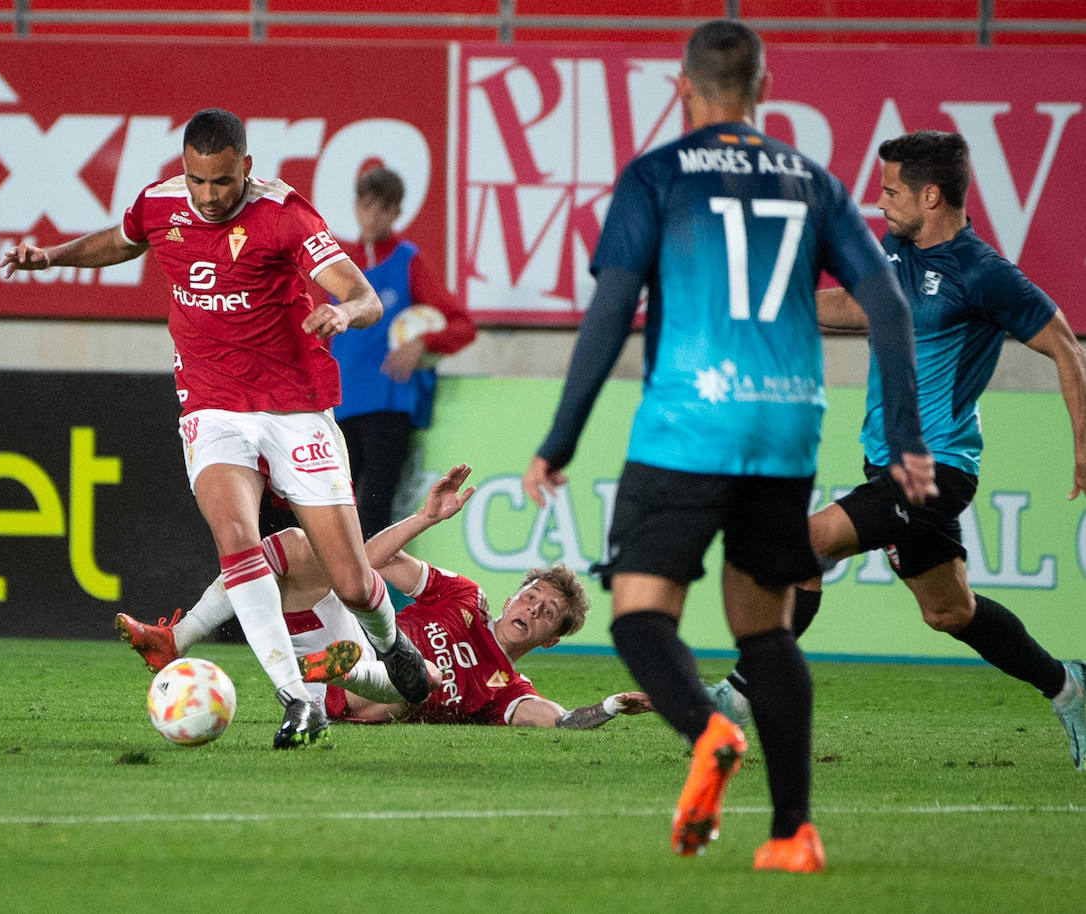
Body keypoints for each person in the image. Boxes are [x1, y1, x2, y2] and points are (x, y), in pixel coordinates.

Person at [521, 20, 937, 873]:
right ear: (764, 89)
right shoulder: (812, 181)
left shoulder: (656, 176)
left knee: (639, 614)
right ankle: (793, 834)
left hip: (687, 425)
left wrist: (558, 440)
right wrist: (904, 439)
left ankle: (710, 730)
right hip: (783, 431)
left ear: (682, 89)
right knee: (766, 630)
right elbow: (890, 307)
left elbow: (612, 312)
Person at [0, 108, 430, 749]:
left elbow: (363, 294)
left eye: (222, 182)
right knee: (236, 536)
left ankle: (390, 642)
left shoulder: (285, 213)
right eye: (197, 181)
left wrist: (345, 315)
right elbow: (123, 240)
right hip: (212, 405)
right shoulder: (160, 205)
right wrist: (51, 257)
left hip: (294, 406)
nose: (207, 196)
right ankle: (296, 699)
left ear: (246, 170)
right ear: (184, 170)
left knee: (350, 581)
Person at [706, 130, 1086, 769]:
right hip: (888, 464)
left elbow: (1067, 346)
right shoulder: (899, 254)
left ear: (931, 195)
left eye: (890, 191)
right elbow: (862, 305)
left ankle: (738, 697)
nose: (878, 202)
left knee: (804, 545)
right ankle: (1070, 686)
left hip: (935, 469)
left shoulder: (983, 274)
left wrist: (1082, 448)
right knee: (949, 611)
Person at [117, 464, 655, 728]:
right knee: (297, 545)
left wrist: (611, 706)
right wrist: (424, 518)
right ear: (514, 596)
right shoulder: (464, 597)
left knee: (427, 681)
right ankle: (176, 639)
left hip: (374, 698)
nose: (533, 609)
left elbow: (560, 721)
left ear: (551, 641)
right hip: (345, 635)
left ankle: (329, 683)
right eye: (532, 596)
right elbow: (369, 560)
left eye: (548, 615)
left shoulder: (507, 690)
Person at [331, 166, 477, 538]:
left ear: (397, 213)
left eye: (383, 208)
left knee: (375, 509)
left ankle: (364, 595)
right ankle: (326, 594)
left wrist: (423, 342)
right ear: (355, 206)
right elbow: (314, 335)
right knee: (332, 510)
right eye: (366, 206)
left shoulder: (408, 260)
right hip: (338, 406)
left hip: (388, 406)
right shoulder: (338, 266)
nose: (373, 216)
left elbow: (462, 325)